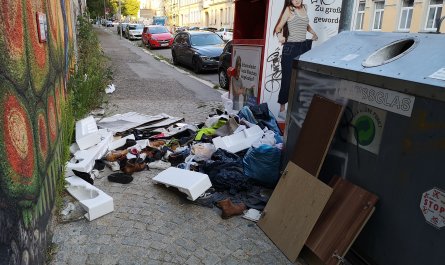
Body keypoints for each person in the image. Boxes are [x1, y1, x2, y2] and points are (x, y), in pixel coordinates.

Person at [274, 0, 318, 117]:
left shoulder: (305, 8)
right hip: (291, 48)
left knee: (302, 78)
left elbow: (305, 24)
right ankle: (282, 109)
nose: (297, 0)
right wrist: (280, 36)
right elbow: (278, 27)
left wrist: (313, 33)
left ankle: (296, 108)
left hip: (303, 47)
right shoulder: (289, 10)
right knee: (287, 78)